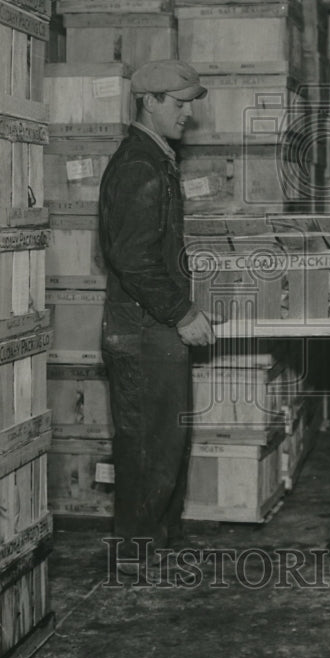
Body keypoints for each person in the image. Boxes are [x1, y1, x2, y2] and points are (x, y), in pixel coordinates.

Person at [98, 59, 215, 578]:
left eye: (189, 102)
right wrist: (181, 311)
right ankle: (135, 558)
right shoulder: (139, 165)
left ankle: (160, 547)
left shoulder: (157, 159)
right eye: (179, 102)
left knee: (166, 444)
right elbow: (131, 256)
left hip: (153, 329)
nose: (187, 112)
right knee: (147, 448)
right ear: (149, 101)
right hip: (144, 330)